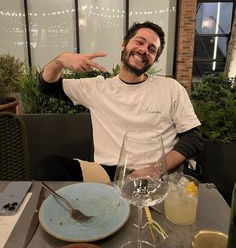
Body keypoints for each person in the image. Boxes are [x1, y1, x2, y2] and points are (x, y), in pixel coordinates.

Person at [37, 21, 203, 181]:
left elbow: (193, 138)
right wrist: (61, 61)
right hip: (107, 174)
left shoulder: (170, 88)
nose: (144, 50)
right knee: (49, 166)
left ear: (154, 59)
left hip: (158, 173)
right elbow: (47, 86)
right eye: (140, 42)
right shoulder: (97, 88)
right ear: (124, 44)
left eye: (152, 49)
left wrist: (155, 170)